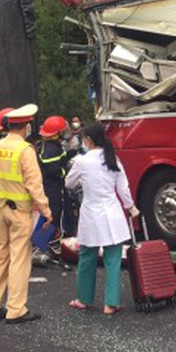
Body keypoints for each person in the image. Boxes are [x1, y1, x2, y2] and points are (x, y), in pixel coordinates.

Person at [0, 104, 51, 324]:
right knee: (19, 258)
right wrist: (47, 211)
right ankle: (16, 309)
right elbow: (34, 184)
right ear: (26, 127)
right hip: (20, 212)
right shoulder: (25, 150)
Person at [66, 123, 139, 315]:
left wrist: (83, 180)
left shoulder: (81, 161)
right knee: (113, 259)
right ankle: (111, 303)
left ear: (88, 140)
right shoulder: (113, 158)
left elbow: (69, 183)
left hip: (91, 213)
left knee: (87, 257)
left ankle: (83, 299)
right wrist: (130, 207)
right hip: (112, 213)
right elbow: (123, 188)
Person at [36, 115, 74, 237]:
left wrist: (69, 155)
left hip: (55, 187)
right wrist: (67, 169)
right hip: (54, 188)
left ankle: (51, 242)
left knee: (60, 213)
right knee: (55, 214)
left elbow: (59, 160)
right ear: (57, 133)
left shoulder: (52, 145)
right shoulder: (51, 149)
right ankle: (46, 243)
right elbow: (54, 170)